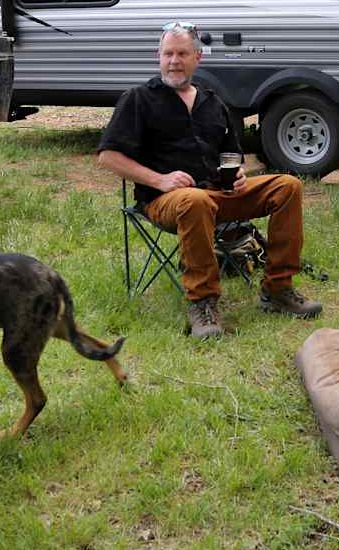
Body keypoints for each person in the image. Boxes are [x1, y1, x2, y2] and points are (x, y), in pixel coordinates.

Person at [97, 21, 320, 339]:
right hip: (166, 200)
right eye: (168, 54)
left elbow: (231, 157)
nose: (174, 60)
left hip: (218, 193)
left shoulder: (213, 102)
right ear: (157, 57)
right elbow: (108, 156)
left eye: (182, 53)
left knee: (288, 186)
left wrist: (239, 175)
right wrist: (159, 180)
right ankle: (202, 303)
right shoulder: (138, 99)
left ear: (197, 58)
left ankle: (278, 289)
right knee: (195, 199)